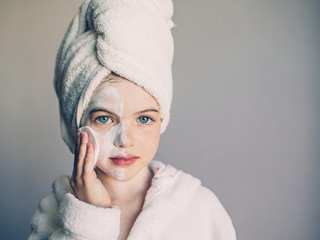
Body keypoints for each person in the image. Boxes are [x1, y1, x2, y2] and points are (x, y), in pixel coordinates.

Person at [28, 0, 236, 239]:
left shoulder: (200, 209)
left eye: (145, 119)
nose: (125, 140)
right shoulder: (54, 210)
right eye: (104, 118)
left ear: (162, 119)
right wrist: (89, 218)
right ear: (76, 122)